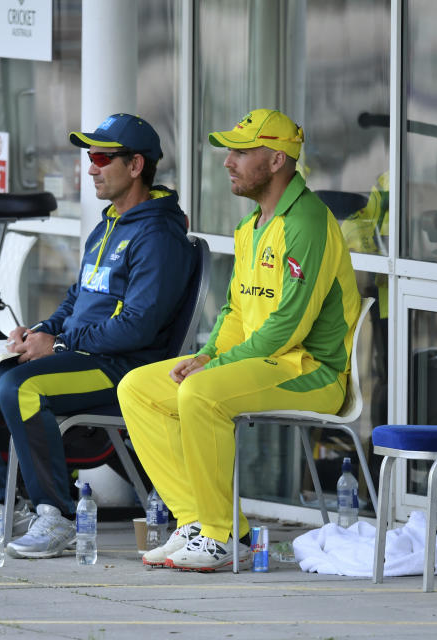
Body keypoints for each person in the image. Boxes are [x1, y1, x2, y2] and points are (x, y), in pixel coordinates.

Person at [0, 113, 196, 559]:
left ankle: (57, 516)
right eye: (90, 156)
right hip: (78, 354)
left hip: (120, 369)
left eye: (102, 157)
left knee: (21, 387)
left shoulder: (158, 235)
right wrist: (40, 332)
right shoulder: (107, 225)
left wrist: (61, 345)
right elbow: (76, 301)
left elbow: (138, 328)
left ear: (136, 166)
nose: (90, 167)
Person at [118, 109, 361, 571]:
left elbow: (287, 328)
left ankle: (221, 535)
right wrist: (209, 353)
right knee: (138, 389)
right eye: (229, 151)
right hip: (264, 363)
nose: (228, 161)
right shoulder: (252, 226)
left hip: (311, 372)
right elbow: (234, 312)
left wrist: (214, 367)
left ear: (275, 160)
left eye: (241, 151)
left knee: (201, 393)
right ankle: (196, 520)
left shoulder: (306, 222)